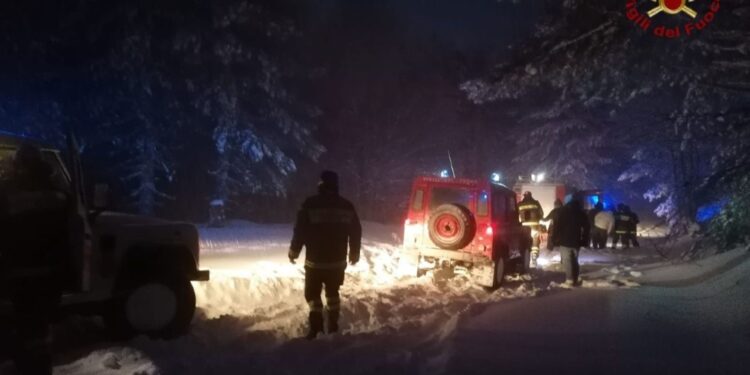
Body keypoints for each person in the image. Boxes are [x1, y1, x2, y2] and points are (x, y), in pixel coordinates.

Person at [0, 143, 70, 375]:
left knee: (21, 329)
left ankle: (24, 365)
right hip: (48, 277)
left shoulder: (7, 193)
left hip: (18, 276)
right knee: (40, 332)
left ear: (18, 164)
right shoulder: (57, 194)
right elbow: (65, 237)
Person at [289, 170, 362, 340]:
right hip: (337, 262)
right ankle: (333, 326)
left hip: (315, 262)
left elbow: (300, 231)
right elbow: (356, 231)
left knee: (312, 294)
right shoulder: (346, 206)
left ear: (320, 184)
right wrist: (354, 253)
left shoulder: (310, 204)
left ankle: (316, 328)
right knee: (333, 293)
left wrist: (294, 251)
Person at [550, 194, 590, 286]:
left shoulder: (562, 211)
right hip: (576, 240)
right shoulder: (581, 212)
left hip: (564, 241)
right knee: (574, 260)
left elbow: (557, 226)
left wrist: (554, 238)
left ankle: (569, 279)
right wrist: (585, 239)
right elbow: (587, 227)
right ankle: (575, 278)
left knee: (567, 260)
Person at [518, 191, 544, 267]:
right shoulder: (536, 203)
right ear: (531, 195)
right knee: (535, 243)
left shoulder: (520, 204)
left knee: (525, 243)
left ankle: (525, 259)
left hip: (524, 228)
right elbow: (541, 214)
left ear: (524, 196)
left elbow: (516, 214)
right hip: (534, 226)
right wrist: (538, 219)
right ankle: (534, 258)